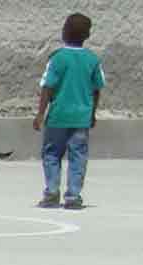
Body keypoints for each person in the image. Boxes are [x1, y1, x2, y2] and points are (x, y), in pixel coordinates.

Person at [35, 12, 105, 210]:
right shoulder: (93, 60)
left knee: (51, 154)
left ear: (64, 32)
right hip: (81, 118)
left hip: (58, 116)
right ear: (87, 36)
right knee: (78, 156)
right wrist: (92, 113)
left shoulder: (57, 58)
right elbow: (97, 89)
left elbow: (47, 87)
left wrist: (40, 114)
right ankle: (73, 196)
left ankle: (51, 192)